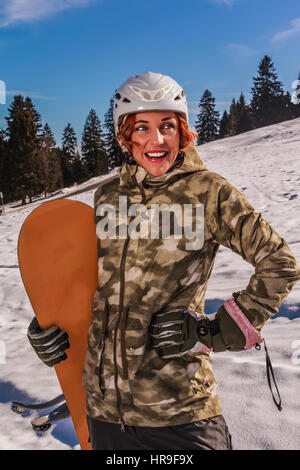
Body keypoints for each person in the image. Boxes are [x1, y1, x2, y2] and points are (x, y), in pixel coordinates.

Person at [27, 71, 300, 450]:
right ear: (125, 135)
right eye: (141, 128)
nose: (155, 140)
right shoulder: (107, 197)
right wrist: (53, 324)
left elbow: (279, 262)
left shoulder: (207, 192)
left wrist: (218, 330)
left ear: (182, 130)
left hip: (182, 414)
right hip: (105, 416)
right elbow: (96, 284)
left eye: (167, 126)